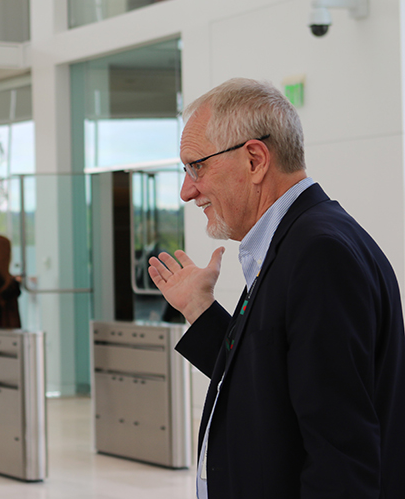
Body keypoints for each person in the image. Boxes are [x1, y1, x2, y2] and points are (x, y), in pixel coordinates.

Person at [148, 78, 405, 498]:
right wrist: (200, 310)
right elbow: (272, 387)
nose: (186, 191)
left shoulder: (319, 254)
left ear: (254, 160)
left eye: (197, 167)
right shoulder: (293, 243)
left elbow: (341, 452)